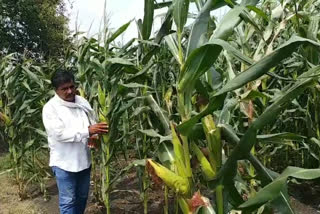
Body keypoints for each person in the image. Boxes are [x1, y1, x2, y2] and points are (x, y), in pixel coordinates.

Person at [42, 70, 108, 214]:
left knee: (82, 197)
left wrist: (94, 135)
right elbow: (59, 135)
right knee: (68, 201)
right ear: (56, 90)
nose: (70, 91)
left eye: (72, 86)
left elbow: (92, 120)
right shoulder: (50, 109)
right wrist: (88, 131)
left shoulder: (82, 101)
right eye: (64, 89)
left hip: (84, 160)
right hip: (64, 164)